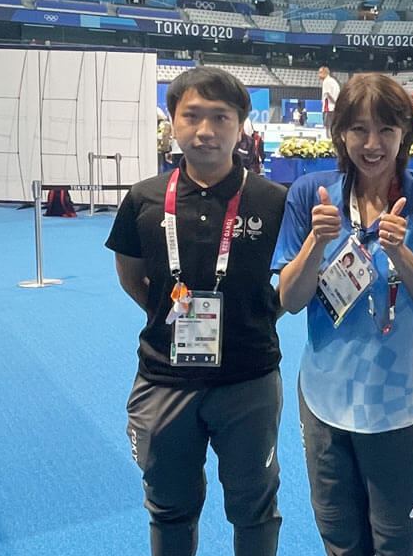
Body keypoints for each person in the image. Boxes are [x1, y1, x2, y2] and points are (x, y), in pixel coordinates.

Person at [271, 73, 413, 556]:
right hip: (325, 400)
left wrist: (402, 255)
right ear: (340, 133)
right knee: (339, 537)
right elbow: (289, 300)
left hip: (402, 403)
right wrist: (316, 241)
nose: (372, 144)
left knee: (397, 543)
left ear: (405, 135)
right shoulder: (311, 195)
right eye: (358, 129)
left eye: (386, 130)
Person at [106, 67, 287, 556]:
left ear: (242, 125)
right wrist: (172, 315)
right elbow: (131, 275)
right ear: (172, 121)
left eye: (221, 118)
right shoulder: (143, 198)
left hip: (249, 380)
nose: (206, 131)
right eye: (192, 116)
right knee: (169, 507)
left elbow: (291, 284)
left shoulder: (273, 202)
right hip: (165, 379)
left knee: (254, 507)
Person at [319, 66, 341, 130]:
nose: (319, 75)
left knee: (328, 126)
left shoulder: (326, 81)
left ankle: (329, 139)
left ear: (325, 73)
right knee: (332, 126)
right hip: (333, 107)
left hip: (329, 108)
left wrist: (335, 103)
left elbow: (328, 94)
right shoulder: (332, 80)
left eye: (320, 72)